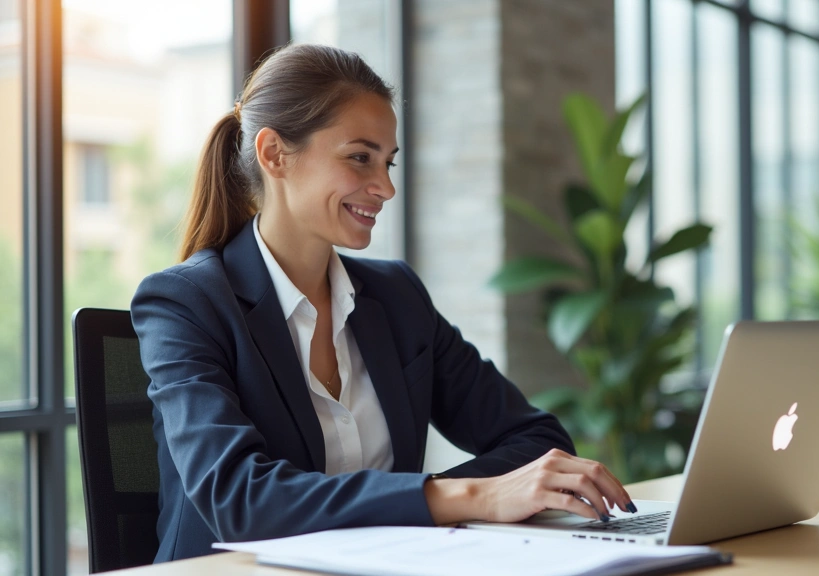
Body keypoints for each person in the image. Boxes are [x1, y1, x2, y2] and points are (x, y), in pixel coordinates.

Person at [130, 43, 636, 562]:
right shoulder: (186, 303)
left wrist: (441, 501)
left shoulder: (396, 297)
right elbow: (240, 500)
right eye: (359, 158)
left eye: (388, 162)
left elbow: (535, 437)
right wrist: (469, 496)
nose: (386, 187)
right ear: (274, 154)